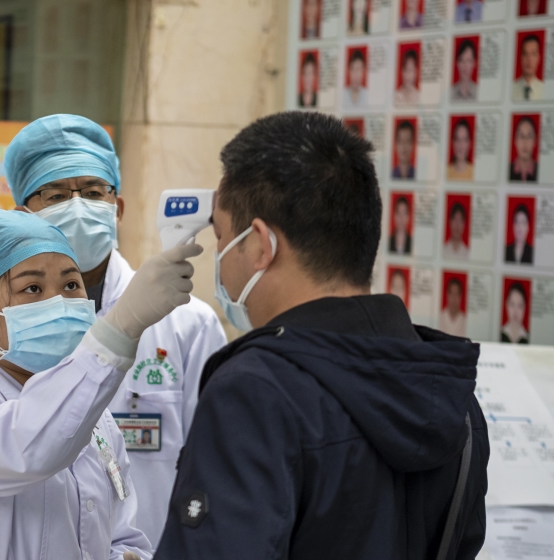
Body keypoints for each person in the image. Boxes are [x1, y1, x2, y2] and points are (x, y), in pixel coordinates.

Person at [155, 112, 488, 558]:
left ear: (258, 245)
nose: (219, 256)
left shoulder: (254, 393)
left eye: (220, 235)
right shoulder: (448, 388)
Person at [0, 210, 200, 560]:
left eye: (71, 285)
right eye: (32, 288)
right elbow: (32, 447)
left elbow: (123, 536)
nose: (59, 302)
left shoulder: (99, 420)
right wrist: (120, 327)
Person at [3, 114, 227, 548]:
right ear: (21, 216)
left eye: (91, 192)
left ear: (117, 208)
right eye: (54, 195)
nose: (78, 206)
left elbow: (217, 469)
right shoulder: (1, 328)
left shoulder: (186, 324)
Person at [513, 34, 544, 102]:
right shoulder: (511, 89)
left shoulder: (545, 90)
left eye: (533, 54)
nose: (529, 59)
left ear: (538, 58)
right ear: (521, 58)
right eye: (525, 54)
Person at [509, 117, 539, 182]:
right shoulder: (507, 170)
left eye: (529, 136)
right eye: (521, 136)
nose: (525, 142)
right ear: (515, 140)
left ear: (535, 141)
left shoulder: (541, 170)